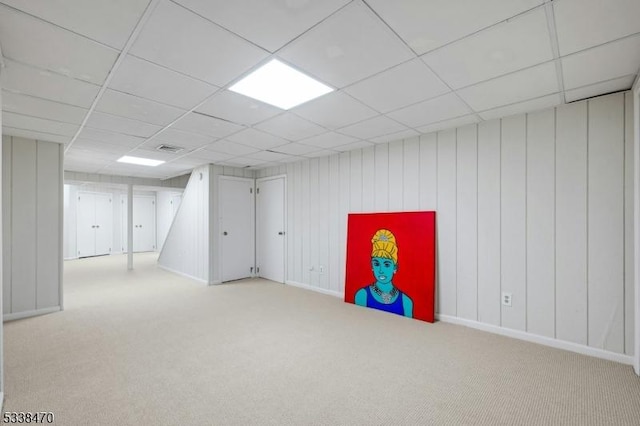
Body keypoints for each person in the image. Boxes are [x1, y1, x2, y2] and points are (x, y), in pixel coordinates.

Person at [354, 229, 413, 318]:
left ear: (395, 267)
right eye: (377, 264)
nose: (381, 270)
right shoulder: (362, 295)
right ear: (372, 266)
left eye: (386, 264)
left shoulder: (406, 302)